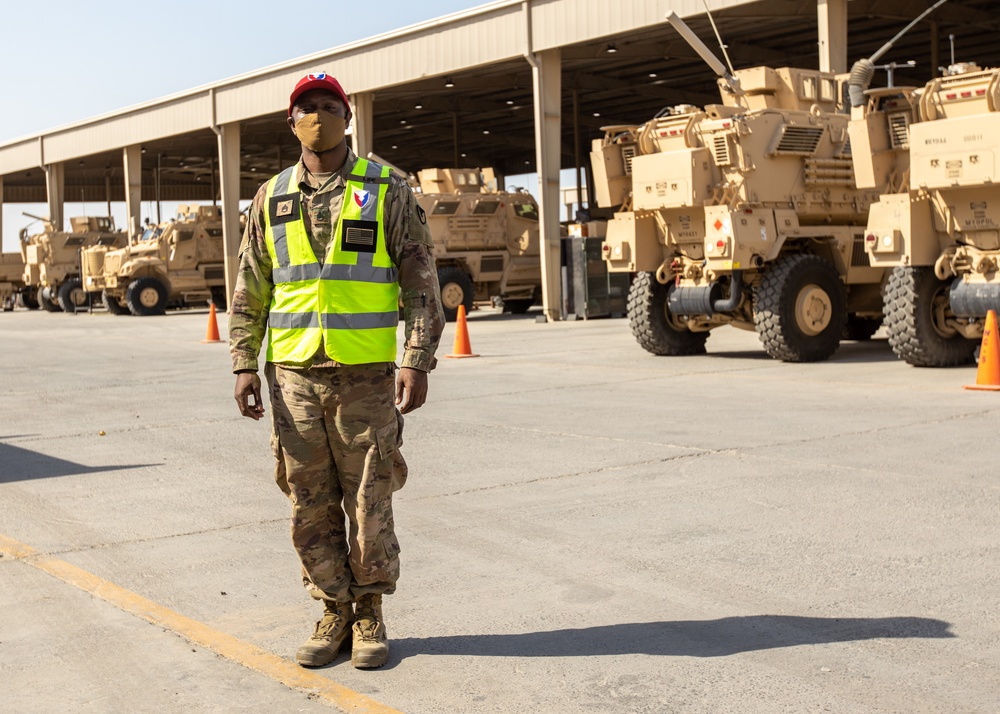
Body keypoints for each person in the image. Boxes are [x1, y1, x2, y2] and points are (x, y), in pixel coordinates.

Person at [229, 72, 444, 669]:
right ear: (290, 122)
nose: (318, 116)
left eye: (329, 106)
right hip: (293, 375)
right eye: (307, 108)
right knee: (307, 499)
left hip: (365, 374)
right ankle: (332, 607)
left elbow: (420, 279)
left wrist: (417, 357)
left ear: (347, 118)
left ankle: (371, 610)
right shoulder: (270, 196)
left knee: (370, 496)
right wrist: (244, 362)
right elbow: (251, 285)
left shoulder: (386, 188)